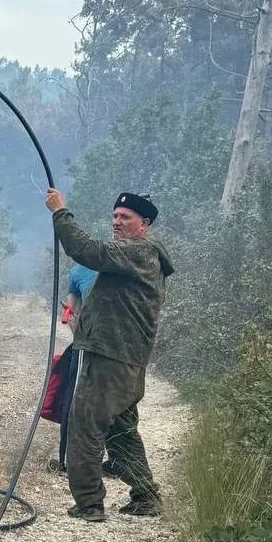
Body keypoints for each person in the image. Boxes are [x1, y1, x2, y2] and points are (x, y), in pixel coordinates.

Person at [44, 188, 175, 522]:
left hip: (110, 357)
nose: (117, 222)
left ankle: (89, 504)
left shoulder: (139, 251)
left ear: (144, 223)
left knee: (85, 425)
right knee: (121, 430)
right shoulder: (145, 254)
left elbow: (86, 250)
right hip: (127, 359)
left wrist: (61, 213)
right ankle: (145, 497)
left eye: (125, 218)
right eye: (115, 216)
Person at [48, 263, 99, 473]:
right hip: (86, 343)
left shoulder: (117, 263)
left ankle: (115, 461)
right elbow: (72, 306)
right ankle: (68, 461)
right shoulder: (79, 271)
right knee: (74, 399)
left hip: (115, 347)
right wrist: (74, 323)